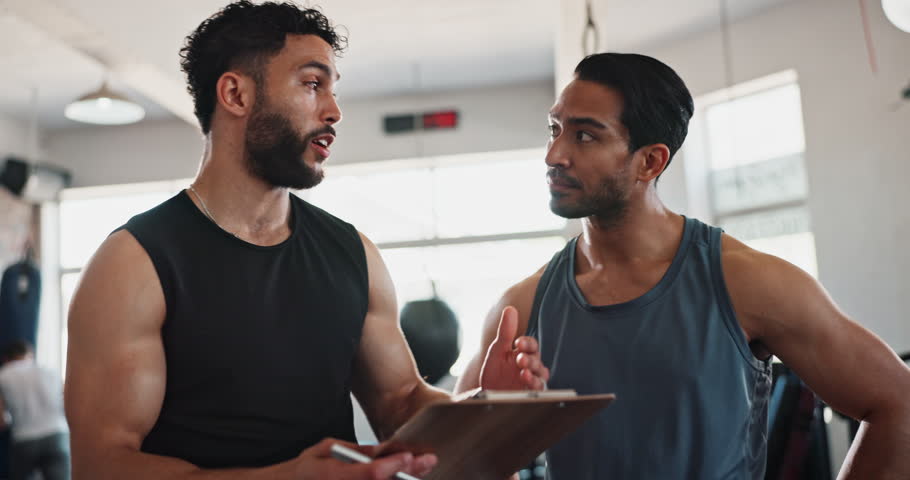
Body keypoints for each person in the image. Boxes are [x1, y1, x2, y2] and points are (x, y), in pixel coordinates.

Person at [63, 2, 548, 479]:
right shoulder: (134, 263)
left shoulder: (352, 254)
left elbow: (401, 402)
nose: (334, 111)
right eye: (312, 84)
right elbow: (102, 463)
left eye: (333, 90)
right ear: (236, 94)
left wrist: (484, 408)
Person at [455, 52, 910, 479]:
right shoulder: (521, 306)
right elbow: (456, 460)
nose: (554, 155)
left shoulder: (748, 282)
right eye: (555, 129)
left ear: (650, 161)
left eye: (585, 135)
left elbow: (898, 402)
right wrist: (495, 420)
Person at [0, 341, 70, 480]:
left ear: (6, 359)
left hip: (25, 439)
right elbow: (68, 404)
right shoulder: (50, 371)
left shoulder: (3, 376)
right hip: (57, 435)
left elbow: (1, 421)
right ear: (30, 354)